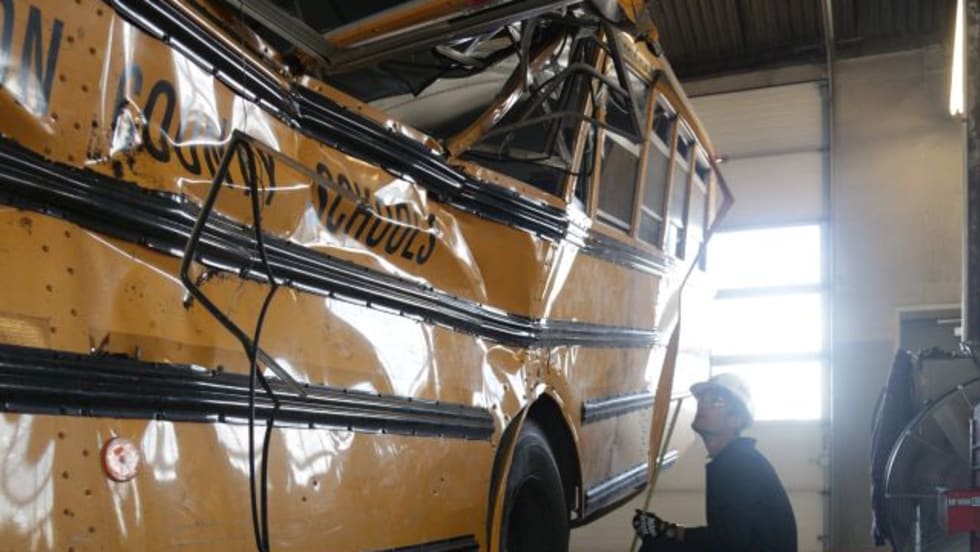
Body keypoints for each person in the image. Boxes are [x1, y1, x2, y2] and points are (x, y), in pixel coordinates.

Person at [631, 373, 797, 551]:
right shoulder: (733, 460)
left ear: (736, 419)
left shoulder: (742, 465)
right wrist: (666, 531)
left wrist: (668, 531)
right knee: (658, 545)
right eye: (702, 398)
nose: (703, 404)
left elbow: (727, 543)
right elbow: (725, 537)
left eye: (717, 401)